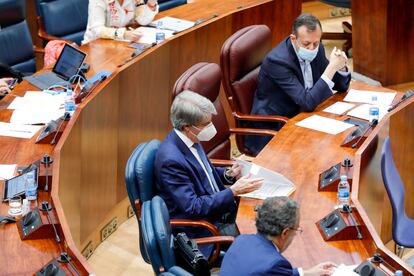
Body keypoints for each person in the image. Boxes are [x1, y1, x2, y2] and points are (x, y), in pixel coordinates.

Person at [155, 90, 263, 256]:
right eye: (206, 124)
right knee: (264, 233)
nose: (211, 128)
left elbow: (204, 175)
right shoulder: (171, 160)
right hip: (204, 228)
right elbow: (193, 207)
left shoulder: (191, 139)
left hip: (221, 211)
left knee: (268, 212)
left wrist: (228, 174)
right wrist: (233, 191)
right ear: (186, 127)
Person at [248, 13, 351, 154]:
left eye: (316, 43)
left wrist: (341, 66)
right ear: (293, 39)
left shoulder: (317, 48)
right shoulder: (278, 62)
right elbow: (307, 102)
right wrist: (331, 67)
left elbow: (341, 86)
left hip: (303, 116)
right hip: (277, 126)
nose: (311, 48)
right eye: (306, 44)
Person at [220, 196, 337, 276]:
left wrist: (306, 273)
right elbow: (270, 270)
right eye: (296, 229)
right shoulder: (274, 263)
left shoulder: (242, 240)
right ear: (285, 233)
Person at [83, 0, 159, 44]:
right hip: (96, 45)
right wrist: (123, 34)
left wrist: (151, 5)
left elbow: (142, 20)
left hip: (119, 43)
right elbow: (97, 29)